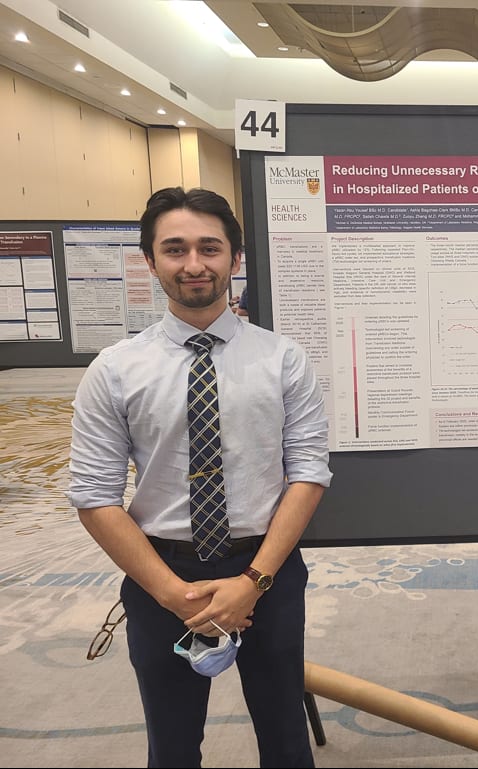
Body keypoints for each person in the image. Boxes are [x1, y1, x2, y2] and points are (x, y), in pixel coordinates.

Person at [67, 187, 332, 767]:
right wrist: (174, 594)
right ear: (150, 260)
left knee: (286, 736)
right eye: (175, 249)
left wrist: (254, 581)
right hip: (160, 573)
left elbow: (309, 472)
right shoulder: (115, 370)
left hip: (267, 571)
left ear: (235, 258)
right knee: (173, 744)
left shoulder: (283, 360)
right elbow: (93, 495)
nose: (194, 265)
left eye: (210, 248)